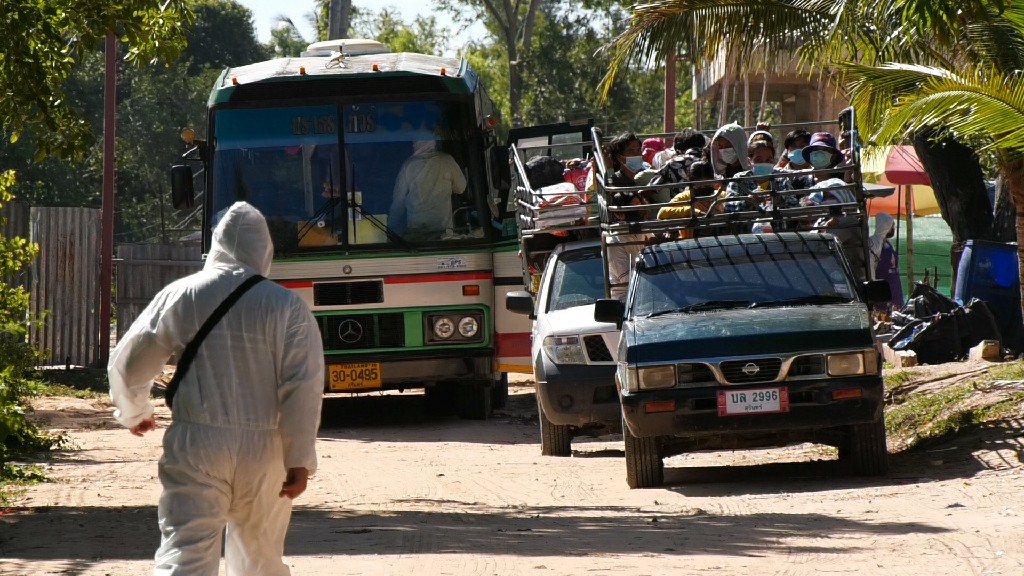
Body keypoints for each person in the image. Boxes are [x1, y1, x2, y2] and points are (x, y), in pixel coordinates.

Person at [108, 201, 325, 576]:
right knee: (260, 559)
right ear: (265, 249)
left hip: (197, 444)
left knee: (185, 553)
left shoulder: (181, 294)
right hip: (266, 451)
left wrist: (134, 412)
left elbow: (129, 363)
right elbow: (303, 386)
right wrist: (299, 459)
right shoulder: (288, 306)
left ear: (217, 245)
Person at [389, 139, 468, 241]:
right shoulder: (447, 160)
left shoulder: (408, 165)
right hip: (442, 233)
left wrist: (390, 228)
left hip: (415, 233)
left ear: (415, 143)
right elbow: (461, 188)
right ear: (433, 142)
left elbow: (398, 202)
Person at [870, 211, 905, 312]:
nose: (893, 228)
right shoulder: (874, 242)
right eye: (892, 226)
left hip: (895, 287)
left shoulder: (889, 243)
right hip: (882, 287)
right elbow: (871, 266)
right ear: (886, 225)